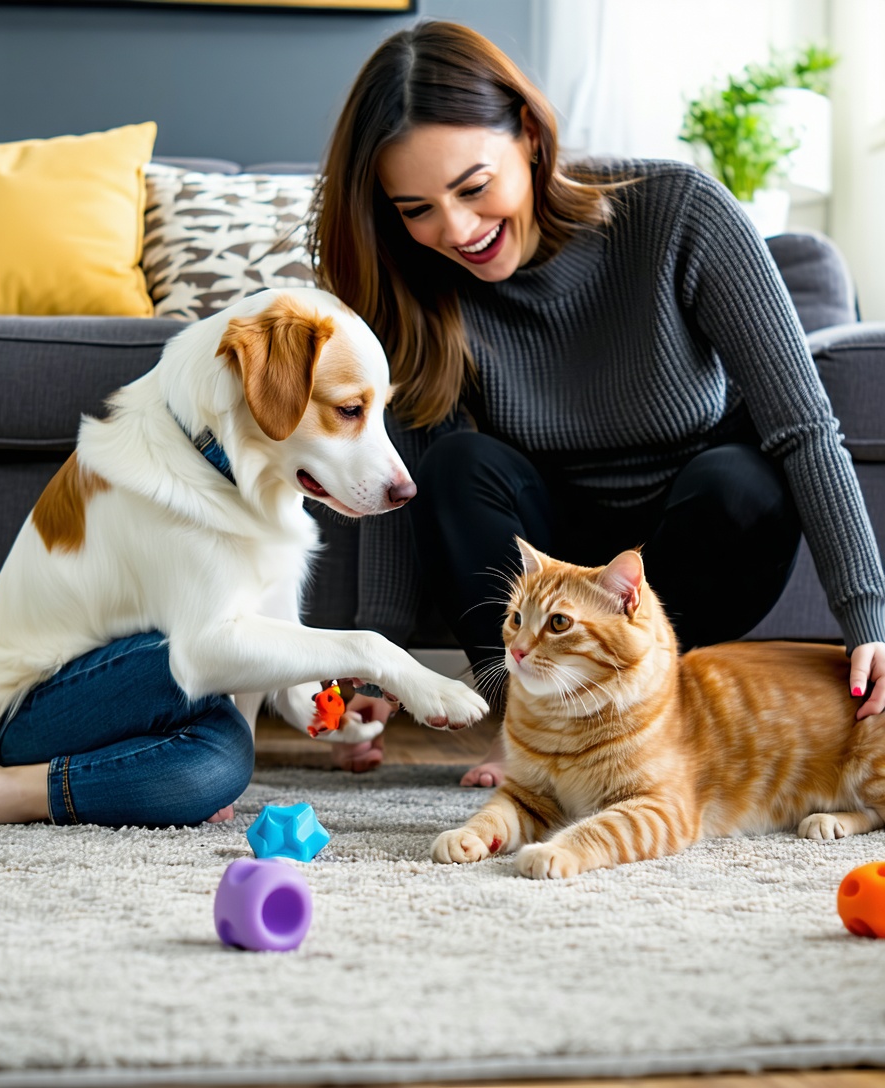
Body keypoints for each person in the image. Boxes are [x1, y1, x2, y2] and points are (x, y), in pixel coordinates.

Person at [309, 19, 885, 783]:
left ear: (529, 135)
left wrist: (866, 615)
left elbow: (806, 430)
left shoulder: (678, 211)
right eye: (417, 209)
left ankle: (651, 720)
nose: (456, 229)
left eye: (473, 187)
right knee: (454, 461)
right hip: (540, 558)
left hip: (682, 545)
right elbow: (403, 474)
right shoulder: (414, 285)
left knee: (743, 485)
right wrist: (374, 658)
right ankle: (525, 724)